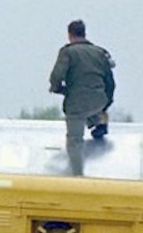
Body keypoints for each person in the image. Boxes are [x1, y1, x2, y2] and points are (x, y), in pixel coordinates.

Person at [48, 19, 115, 175]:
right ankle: (99, 121)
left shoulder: (68, 52)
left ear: (69, 35)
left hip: (77, 103)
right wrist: (107, 103)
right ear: (84, 33)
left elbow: (56, 76)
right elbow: (110, 82)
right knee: (93, 109)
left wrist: (58, 89)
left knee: (75, 140)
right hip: (99, 100)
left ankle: (77, 175)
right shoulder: (100, 52)